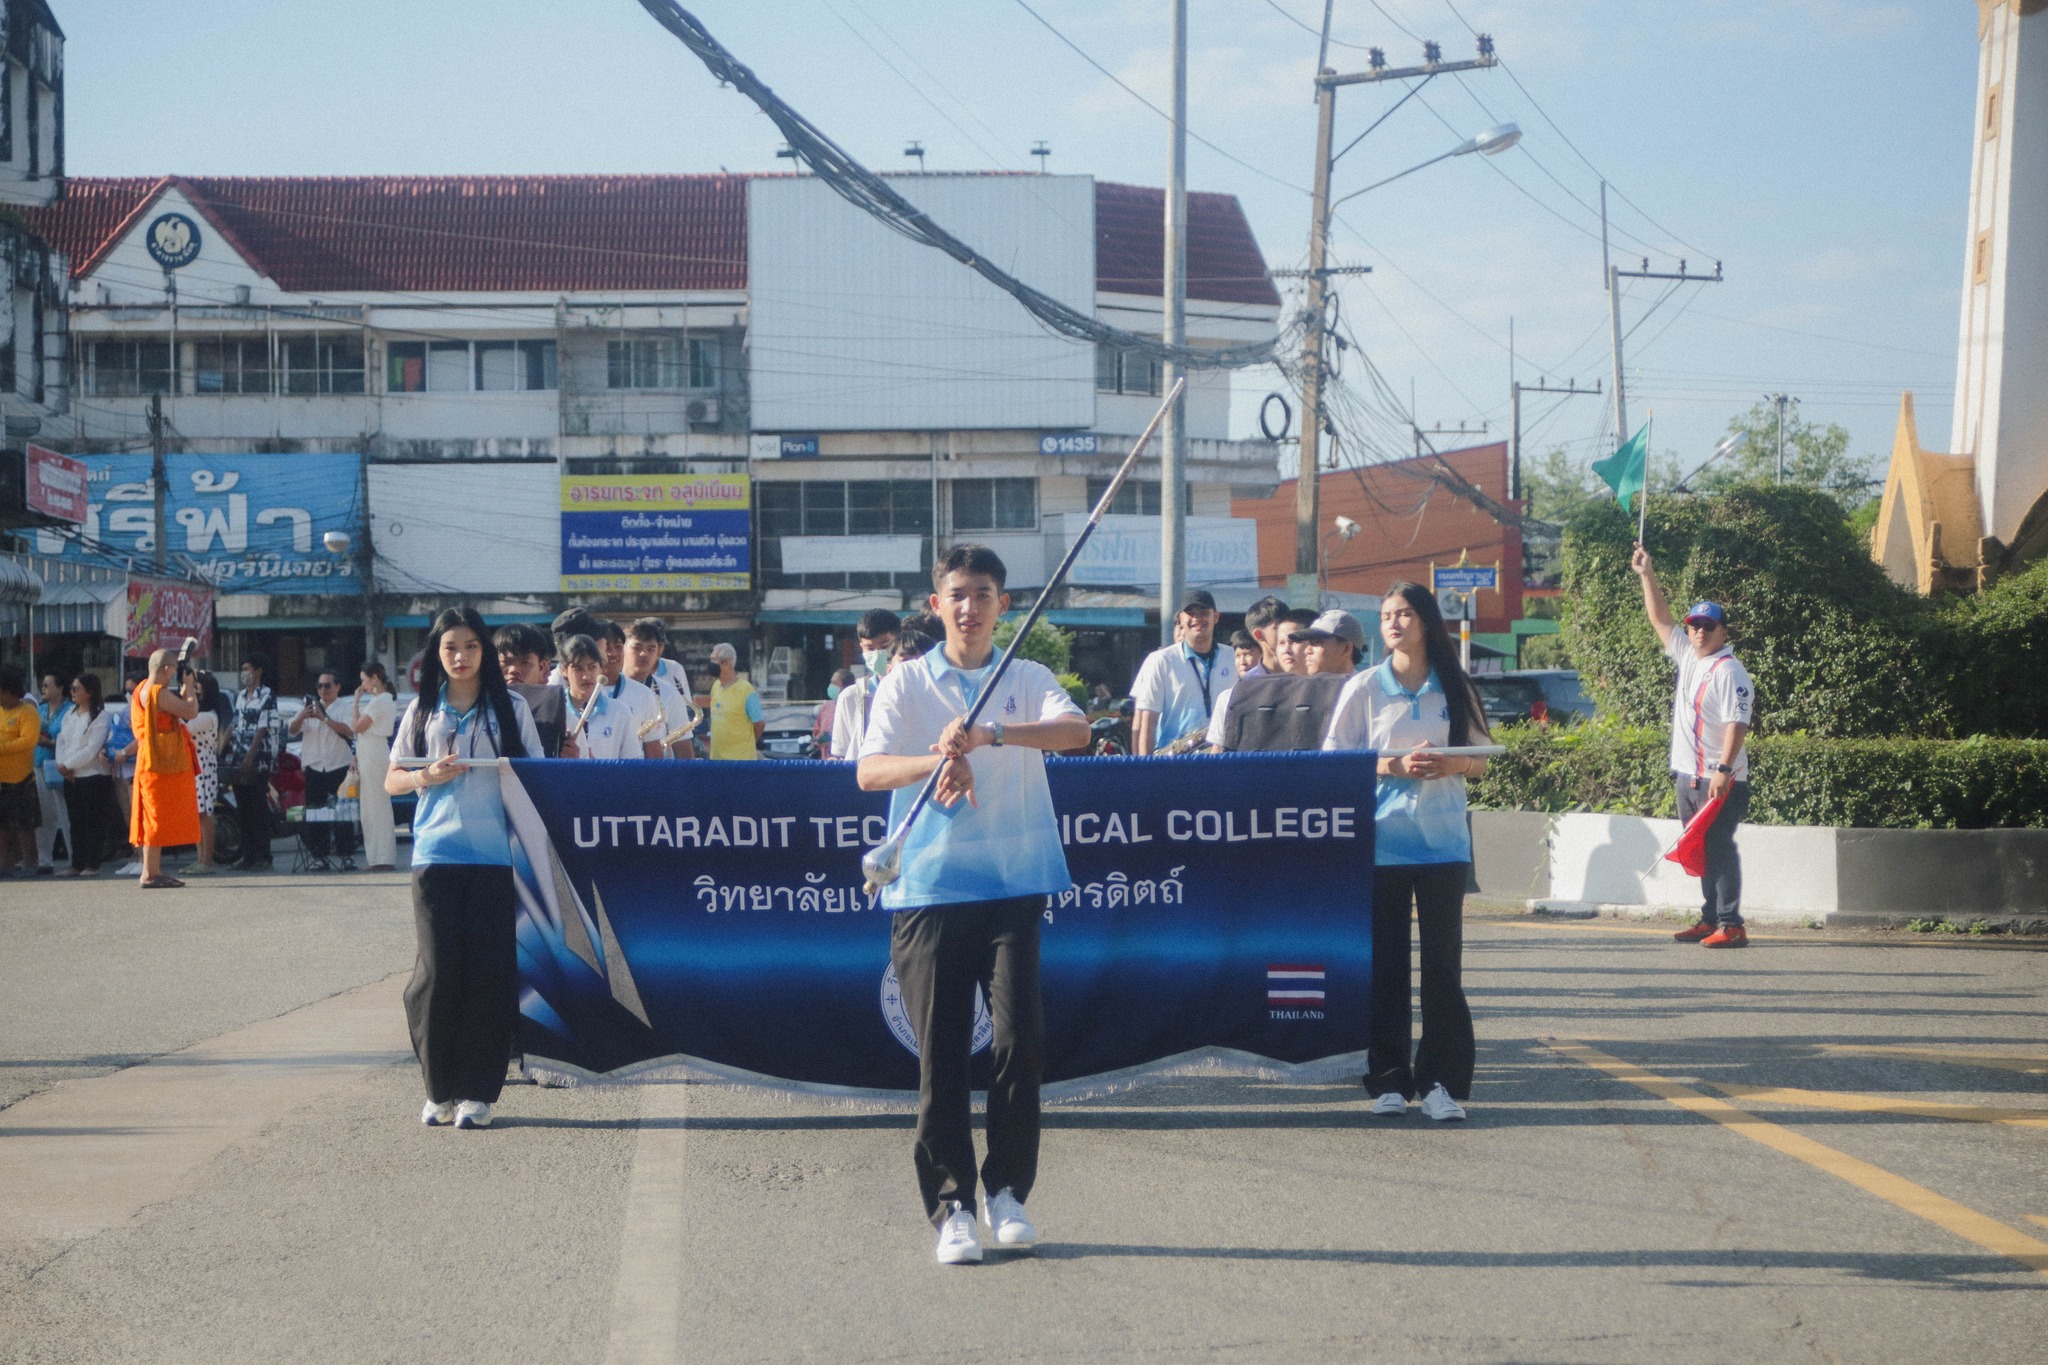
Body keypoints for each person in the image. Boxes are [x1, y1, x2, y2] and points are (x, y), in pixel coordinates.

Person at [857, 544, 1089, 1265]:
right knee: (942, 1056)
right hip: (927, 890)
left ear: (1003, 604)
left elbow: (1077, 732)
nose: (969, 606)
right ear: (937, 605)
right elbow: (868, 771)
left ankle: (1007, 1192)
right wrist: (941, 758)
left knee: (1019, 1043)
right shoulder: (905, 682)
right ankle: (953, 1207)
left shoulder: (1027, 675)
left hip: (1014, 884)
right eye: (956, 594)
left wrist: (990, 735)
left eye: (983, 593)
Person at [1323, 582, 1490, 1122]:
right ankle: (1388, 1079)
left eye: (1404, 614)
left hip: (1443, 843)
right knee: (1385, 967)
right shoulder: (1365, 687)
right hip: (1382, 844)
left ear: (1425, 622)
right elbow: (1336, 759)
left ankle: (1441, 1083)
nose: (1392, 623)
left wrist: (1451, 763)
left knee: (1443, 968)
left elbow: (1482, 757)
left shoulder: (1454, 684)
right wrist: (1391, 765)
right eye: (1387, 614)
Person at [387, 606, 542, 1131]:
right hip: (435, 856)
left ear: (485, 653)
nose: (460, 656)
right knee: (437, 972)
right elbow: (392, 780)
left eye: (471, 646)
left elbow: (536, 779)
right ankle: (439, 1089)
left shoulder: (512, 707)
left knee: (489, 974)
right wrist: (425, 776)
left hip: (497, 858)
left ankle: (478, 1092)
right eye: (450, 647)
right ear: (437, 653)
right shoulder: (421, 711)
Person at [1632, 544, 1756, 949]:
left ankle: (1730, 922)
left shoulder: (1731, 670)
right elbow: (1659, 618)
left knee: (1718, 845)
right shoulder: (1688, 655)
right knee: (1700, 846)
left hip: (1719, 778)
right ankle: (1708, 919)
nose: (1699, 631)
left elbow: (1739, 722)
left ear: (1723, 632)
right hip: (1688, 776)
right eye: (1694, 625)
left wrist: (1724, 769)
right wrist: (1646, 575)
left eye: (1708, 626)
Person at [1131, 588, 1237, 755]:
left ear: (1216, 617)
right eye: (1191, 613)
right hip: (1175, 761)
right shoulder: (1161, 660)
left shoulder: (1232, 657)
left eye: (1203, 613)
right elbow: (1146, 721)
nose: (1197, 618)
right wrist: (1145, 771)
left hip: (1222, 758)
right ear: (1180, 619)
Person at [130, 647, 203, 890]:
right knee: (156, 816)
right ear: (165, 669)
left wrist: (183, 693)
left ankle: (151, 871)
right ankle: (149, 873)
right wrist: (190, 687)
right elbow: (190, 712)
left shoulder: (141, 688)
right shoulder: (158, 692)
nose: (174, 674)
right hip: (160, 760)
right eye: (173, 669)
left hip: (149, 757)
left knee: (153, 814)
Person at [1204, 608, 1316, 750]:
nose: (1286, 649)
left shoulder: (1326, 690)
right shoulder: (1235, 695)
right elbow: (1219, 755)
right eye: (1281, 642)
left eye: (1294, 641)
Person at [291, 671, 359, 871]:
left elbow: (350, 730)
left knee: (343, 814)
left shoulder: (344, 707)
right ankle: (319, 856)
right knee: (315, 812)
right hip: (314, 766)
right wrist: (303, 715)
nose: (323, 690)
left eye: (327, 686)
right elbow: (292, 730)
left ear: (337, 687)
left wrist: (324, 718)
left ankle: (346, 855)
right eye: (320, 686)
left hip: (338, 765)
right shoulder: (309, 707)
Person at [55, 674, 117, 876]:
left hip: (94, 775)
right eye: (72, 689)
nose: (73, 692)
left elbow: (92, 749)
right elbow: (61, 740)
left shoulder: (100, 716)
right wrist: (62, 765)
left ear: (89, 692)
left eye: (77, 689)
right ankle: (77, 863)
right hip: (72, 776)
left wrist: (69, 764)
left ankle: (92, 863)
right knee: (76, 821)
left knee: (93, 821)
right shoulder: (69, 714)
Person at [227, 653, 282, 871]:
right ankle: (247, 854)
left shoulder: (267, 695)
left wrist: (250, 756)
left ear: (258, 671)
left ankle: (263, 855)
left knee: (258, 808)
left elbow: (262, 728)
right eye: (243, 669)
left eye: (248, 668)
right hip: (239, 757)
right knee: (243, 808)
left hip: (258, 759)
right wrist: (222, 747)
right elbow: (234, 723)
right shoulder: (240, 696)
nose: (244, 673)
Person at [830, 608, 901, 763]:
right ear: (861, 647)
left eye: (884, 646)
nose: (877, 653)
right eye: (870, 648)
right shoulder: (850, 696)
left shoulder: (914, 689)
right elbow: (841, 755)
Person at [624, 618, 696, 759]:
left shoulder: (670, 693)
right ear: (622, 648)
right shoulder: (606, 689)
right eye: (637, 648)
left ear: (659, 651)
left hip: (657, 776)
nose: (644, 654)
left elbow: (683, 749)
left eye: (651, 649)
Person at [559, 635, 638, 760]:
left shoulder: (620, 712)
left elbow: (633, 764)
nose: (586, 676)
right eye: (578, 669)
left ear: (601, 668)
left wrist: (596, 767)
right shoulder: (554, 712)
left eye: (592, 667)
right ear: (564, 670)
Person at [352, 663, 399, 871]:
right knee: (371, 806)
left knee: (377, 804)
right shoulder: (379, 701)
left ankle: (383, 857)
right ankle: (377, 857)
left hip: (374, 749)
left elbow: (357, 726)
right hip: (369, 749)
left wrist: (355, 702)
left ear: (374, 678)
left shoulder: (381, 701)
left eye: (364, 679)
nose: (363, 685)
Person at [595, 620, 665, 759]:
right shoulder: (582, 691)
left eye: (618, 646)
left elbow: (653, 752)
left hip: (628, 777)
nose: (613, 653)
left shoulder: (644, 694)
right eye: (607, 647)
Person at [495, 623, 566, 759]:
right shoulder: (478, 708)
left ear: (543, 668)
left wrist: (571, 760)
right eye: (506, 662)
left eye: (525, 663)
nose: (514, 670)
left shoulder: (559, 710)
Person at [0, 666, 42, 876]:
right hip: (1, 778)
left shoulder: (28, 712)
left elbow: (28, 741)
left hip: (22, 778)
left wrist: (2, 747)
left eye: (2, 693)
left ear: (11, 691)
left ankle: (30, 863)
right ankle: (4, 864)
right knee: (2, 826)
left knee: (25, 825)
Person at [182, 670, 224, 875]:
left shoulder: (208, 716)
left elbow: (184, 727)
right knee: (196, 814)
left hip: (204, 766)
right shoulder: (200, 713)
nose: (194, 694)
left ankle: (207, 860)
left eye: (197, 689)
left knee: (205, 813)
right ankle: (200, 858)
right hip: (193, 765)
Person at [33, 672, 71, 875]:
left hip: (61, 765)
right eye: (43, 685)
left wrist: (50, 741)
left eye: (48, 685)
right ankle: (44, 859)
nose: (44, 689)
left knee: (65, 813)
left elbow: (68, 737)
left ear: (60, 688)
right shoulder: (40, 710)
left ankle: (74, 857)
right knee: (44, 814)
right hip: (40, 762)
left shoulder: (69, 710)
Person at [706, 642, 763, 760]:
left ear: (726, 663)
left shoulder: (746, 691)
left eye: (713, 660)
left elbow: (759, 724)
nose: (710, 664)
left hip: (741, 763)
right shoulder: (716, 686)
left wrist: (745, 745)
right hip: (717, 761)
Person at [1294, 609, 1368, 676]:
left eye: (1317, 642)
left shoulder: (1363, 688)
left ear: (1347, 648)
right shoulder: (1303, 687)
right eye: (1310, 643)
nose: (1307, 650)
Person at [1242, 594, 1290, 677]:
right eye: (1278, 627)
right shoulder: (1249, 683)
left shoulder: (1303, 676)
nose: (1286, 632)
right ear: (1259, 635)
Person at [816, 668, 853, 756]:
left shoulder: (854, 708)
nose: (831, 686)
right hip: (826, 761)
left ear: (846, 687)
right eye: (831, 682)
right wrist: (820, 739)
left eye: (835, 683)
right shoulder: (826, 707)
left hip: (846, 761)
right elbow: (817, 731)